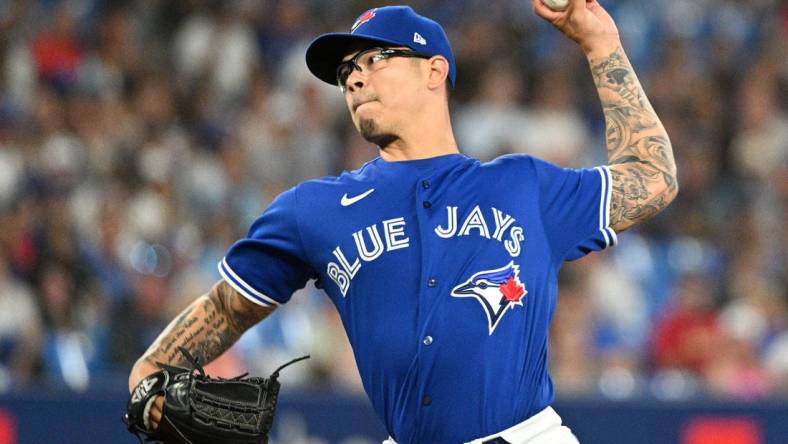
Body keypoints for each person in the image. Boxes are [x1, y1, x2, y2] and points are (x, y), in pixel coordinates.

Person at [128, 2, 678, 443]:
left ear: (435, 70)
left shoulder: (523, 186)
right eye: (347, 70)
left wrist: (600, 43)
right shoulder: (312, 210)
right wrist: (148, 373)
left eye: (376, 59)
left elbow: (653, 177)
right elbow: (228, 307)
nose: (355, 78)